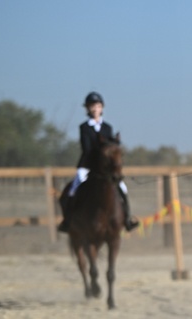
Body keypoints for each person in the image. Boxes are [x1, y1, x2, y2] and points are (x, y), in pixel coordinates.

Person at [57, 91, 139, 232]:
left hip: (105, 168)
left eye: (98, 106)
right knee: (74, 188)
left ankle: (127, 219)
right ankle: (68, 220)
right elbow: (86, 148)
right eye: (92, 106)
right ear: (87, 109)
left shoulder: (107, 127)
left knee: (123, 189)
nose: (95, 109)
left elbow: (111, 146)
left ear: (102, 108)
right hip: (88, 165)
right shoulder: (84, 127)